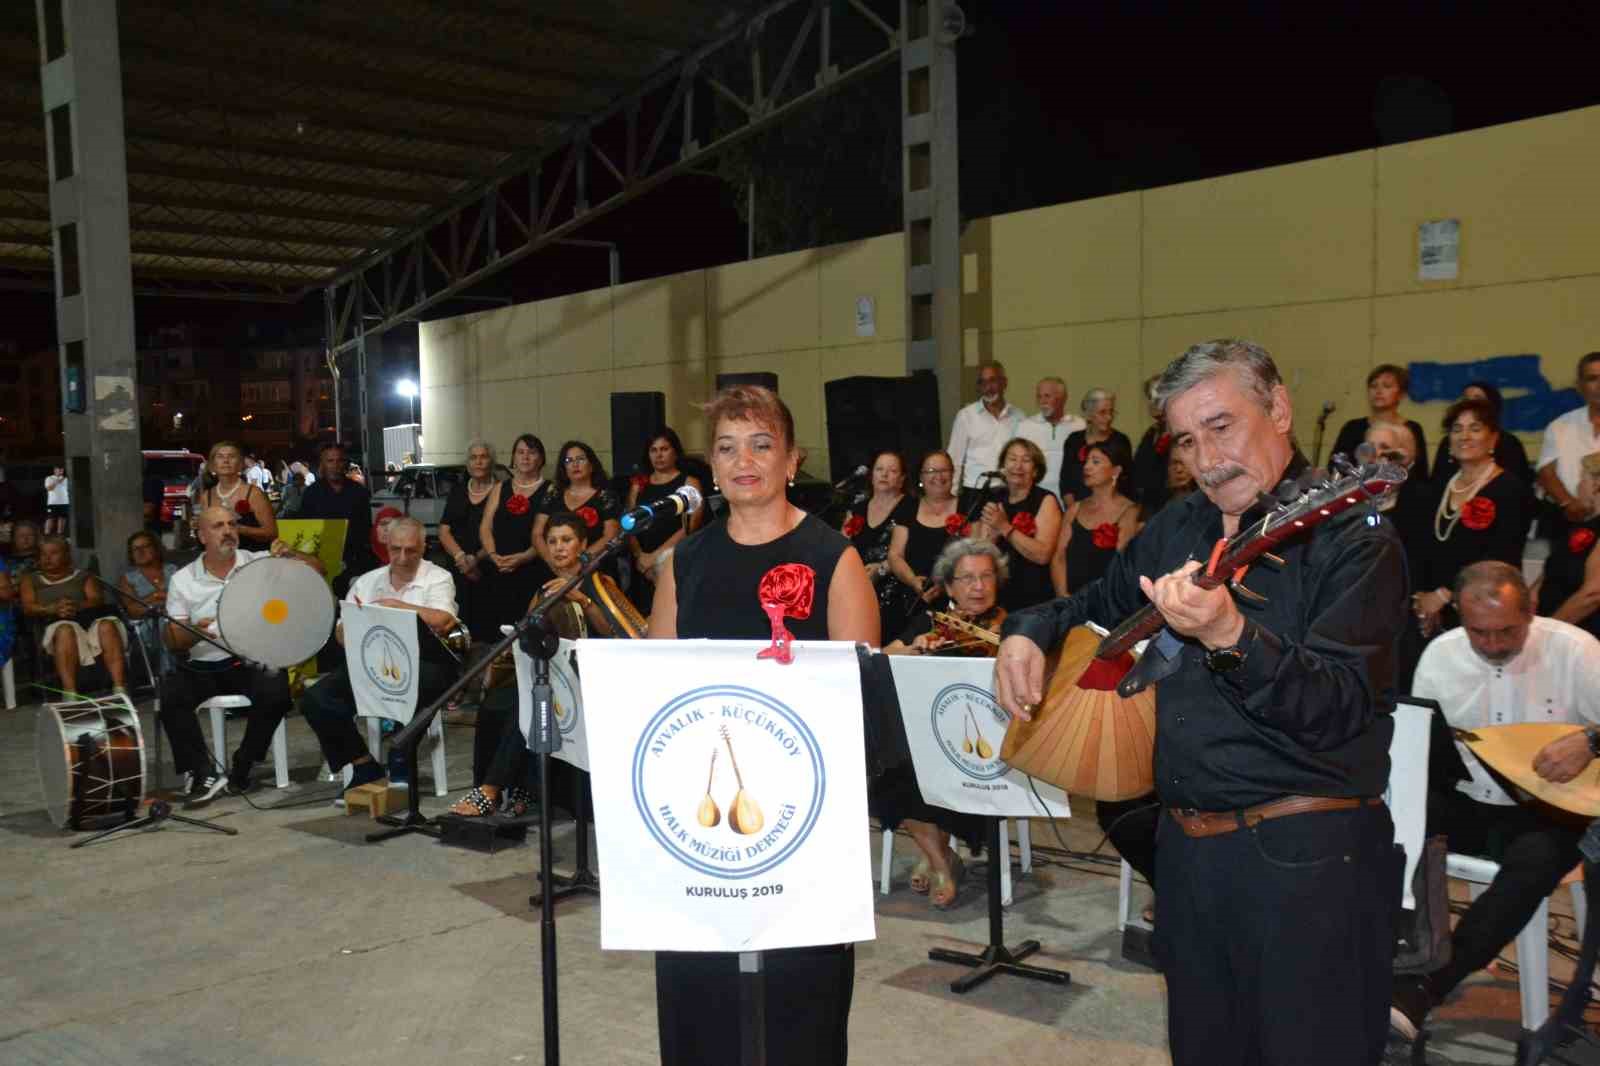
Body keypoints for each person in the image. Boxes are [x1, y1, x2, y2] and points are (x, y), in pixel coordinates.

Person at [994, 339, 1405, 1066]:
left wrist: (1231, 634)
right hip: (1188, 858)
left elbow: (1341, 704)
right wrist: (1027, 632)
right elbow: (1094, 602)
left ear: (1278, 408)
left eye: (1222, 426)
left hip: (1310, 865)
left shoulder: (1354, 537)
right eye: (1187, 439)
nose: (1206, 457)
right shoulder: (1181, 526)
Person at [648, 384, 877, 1066]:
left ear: (791, 459)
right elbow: (658, 689)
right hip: (700, 812)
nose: (742, 459)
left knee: (801, 993)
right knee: (698, 985)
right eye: (726, 447)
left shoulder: (833, 557)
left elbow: (860, 694)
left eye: (760, 444)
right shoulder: (683, 563)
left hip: (803, 816)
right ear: (711, 470)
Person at [1391, 562, 1600, 1041]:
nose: (1492, 644)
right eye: (1477, 633)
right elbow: (1424, 747)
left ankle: (1428, 986)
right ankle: (1398, 963)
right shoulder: (1441, 656)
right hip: (1470, 799)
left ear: (1531, 612)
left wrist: (1590, 740)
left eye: (1506, 630)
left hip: (1551, 809)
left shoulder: (1577, 651)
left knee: (1534, 862)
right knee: (1394, 825)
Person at [451, 511, 647, 818]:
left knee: (530, 702)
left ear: (583, 545)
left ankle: (492, 788)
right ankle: (521, 787)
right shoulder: (545, 588)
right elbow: (529, 634)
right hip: (551, 678)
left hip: (594, 681)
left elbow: (620, 634)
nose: (558, 548)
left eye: (566, 540)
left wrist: (583, 601)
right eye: (552, 541)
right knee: (498, 703)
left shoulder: (601, 582)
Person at [162, 507, 322, 799]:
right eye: (218, 526)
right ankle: (201, 772)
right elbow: (175, 642)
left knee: (276, 693)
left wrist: (289, 556)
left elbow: (317, 570)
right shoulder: (183, 580)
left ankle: (243, 765)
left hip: (248, 660)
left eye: (232, 524)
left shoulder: (259, 562)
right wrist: (193, 629)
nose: (228, 531)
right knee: (170, 694)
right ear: (201, 536)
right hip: (204, 664)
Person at [877, 538, 1004, 907]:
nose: (977, 587)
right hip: (928, 735)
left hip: (983, 743)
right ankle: (942, 860)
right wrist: (916, 646)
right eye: (966, 579)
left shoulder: (1013, 624)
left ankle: (937, 856)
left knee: (942, 767)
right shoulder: (932, 621)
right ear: (949, 587)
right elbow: (884, 655)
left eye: (985, 577)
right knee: (890, 771)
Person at [300, 516, 457, 790]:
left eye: (411, 550)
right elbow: (340, 632)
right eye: (396, 549)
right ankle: (362, 764)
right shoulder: (367, 581)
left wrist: (396, 607)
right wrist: (352, 630)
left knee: (430, 682)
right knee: (316, 699)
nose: (403, 557)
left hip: (424, 663)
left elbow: (444, 620)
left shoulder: (438, 577)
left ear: (423, 548)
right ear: (387, 547)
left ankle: (400, 754)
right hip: (373, 664)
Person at [1413, 398, 1530, 639]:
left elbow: (1501, 556)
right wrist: (1423, 598)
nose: (1464, 436)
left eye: (1475, 429)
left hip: (1487, 610)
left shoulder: (1509, 489)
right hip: (1433, 611)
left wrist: (1444, 595)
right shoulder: (1439, 487)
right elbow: (1424, 547)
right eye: (1457, 429)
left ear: (1493, 439)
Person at [19, 536, 128, 696]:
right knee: (65, 630)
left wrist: (76, 606)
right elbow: (28, 607)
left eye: (53, 553)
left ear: (66, 555)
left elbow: (96, 600)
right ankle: (70, 693)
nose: (47, 558)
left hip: (86, 621)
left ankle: (119, 689)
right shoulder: (31, 580)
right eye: (43, 554)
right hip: (53, 625)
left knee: (107, 626)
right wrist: (51, 609)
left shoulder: (83, 576)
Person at [480, 433, 556, 630]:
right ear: (513, 457)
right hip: (499, 567)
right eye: (520, 452)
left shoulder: (551, 489)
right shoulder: (500, 488)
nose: (525, 457)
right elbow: (485, 526)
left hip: (533, 567)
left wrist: (524, 557)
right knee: (499, 629)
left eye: (531, 452)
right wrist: (493, 555)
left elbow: (548, 534)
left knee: (530, 627)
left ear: (541, 458)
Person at [975, 437, 1061, 611]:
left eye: (1026, 460)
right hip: (997, 595)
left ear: (1036, 470)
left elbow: (1043, 555)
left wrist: (1005, 528)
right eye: (1012, 459)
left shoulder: (1045, 499)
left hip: (1034, 596)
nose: (1018, 466)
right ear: (1003, 466)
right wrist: (991, 538)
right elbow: (982, 551)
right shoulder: (995, 497)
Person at [837, 449, 916, 636]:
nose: (885, 474)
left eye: (892, 470)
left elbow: (916, 551)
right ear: (871, 475)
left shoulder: (912, 506)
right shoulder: (857, 508)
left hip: (897, 591)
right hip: (858, 588)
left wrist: (883, 568)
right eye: (879, 469)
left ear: (902, 478)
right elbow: (841, 547)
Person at [625, 427, 705, 611]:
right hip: (642, 564)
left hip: (675, 559)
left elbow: (690, 526)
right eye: (653, 450)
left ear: (675, 451)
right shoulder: (638, 485)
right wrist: (640, 557)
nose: (658, 455)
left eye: (664, 449)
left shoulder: (689, 482)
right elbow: (630, 523)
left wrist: (656, 557)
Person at [1051, 435, 1139, 596]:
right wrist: (1063, 597)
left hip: (1106, 603)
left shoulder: (1130, 512)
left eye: (1095, 462)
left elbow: (1122, 568)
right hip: (1070, 602)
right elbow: (1059, 556)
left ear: (1116, 471)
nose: (1086, 467)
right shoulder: (1075, 508)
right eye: (1087, 461)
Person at [438, 439, 501, 653]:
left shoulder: (503, 491)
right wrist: (461, 558)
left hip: (489, 566)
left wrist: (477, 559)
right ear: (468, 464)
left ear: (492, 461)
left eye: (483, 457)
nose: (478, 462)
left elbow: (501, 534)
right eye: (473, 457)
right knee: (460, 626)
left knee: (488, 631)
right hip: (458, 566)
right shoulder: (457, 491)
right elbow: (444, 530)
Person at [886, 449, 967, 614]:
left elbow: (976, 554)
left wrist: (948, 585)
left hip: (959, 600)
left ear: (952, 474)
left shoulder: (968, 506)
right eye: (931, 471)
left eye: (944, 470)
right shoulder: (907, 506)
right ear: (921, 477)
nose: (938, 476)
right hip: (914, 598)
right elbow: (895, 555)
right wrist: (913, 581)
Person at [298, 442, 375, 596]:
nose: (335, 465)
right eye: (330, 461)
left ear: (345, 463)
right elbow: (304, 529)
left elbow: (366, 529)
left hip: (355, 561)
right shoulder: (311, 494)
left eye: (339, 460)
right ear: (323, 464)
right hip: (321, 560)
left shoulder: (360, 493)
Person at [1538, 352, 1600, 537]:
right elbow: (1546, 471)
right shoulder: (1560, 426)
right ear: (1579, 386)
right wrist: (1567, 503)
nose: (1599, 385)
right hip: (1570, 522)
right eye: (1592, 379)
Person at [1539, 452, 1600, 639]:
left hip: (1585, 639)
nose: (1578, 486)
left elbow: (1593, 594)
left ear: (1596, 485)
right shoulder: (1584, 524)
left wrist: (1549, 630)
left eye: (1582, 479)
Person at [1331, 363, 1430, 480]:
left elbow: (1421, 473)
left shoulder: (1413, 429)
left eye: (1386, 386)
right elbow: (1335, 467)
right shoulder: (1352, 428)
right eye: (1373, 386)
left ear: (1401, 394)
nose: (1378, 391)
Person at [1430, 381, 1534, 486]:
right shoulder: (1448, 442)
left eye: (1477, 399)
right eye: (1466, 399)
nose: (1471, 404)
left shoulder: (1510, 443)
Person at [947, 362, 1023, 489]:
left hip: (1010, 490)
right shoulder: (966, 416)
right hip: (975, 490)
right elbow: (955, 460)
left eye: (993, 381)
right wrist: (952, 496)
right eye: (982, 383)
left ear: (1004, 383)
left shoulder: (1019, 417)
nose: (988, 387)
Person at [554, 441, 622, 578]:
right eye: (568, 460)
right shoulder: (553, 495)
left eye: (580, 459)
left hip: (597, 570)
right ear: (564, 468)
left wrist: (579, 563)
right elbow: (537, 533)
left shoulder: (606, 496)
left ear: (591, 465)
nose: (575, 464)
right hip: (557, 570)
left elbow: (611, 535)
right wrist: (554, 564)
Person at [1057, 387, 1133, 506]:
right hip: (1077, 509)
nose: (1108, 417)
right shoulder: (1073, 440)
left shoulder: (1121, 441)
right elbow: (1066, 483)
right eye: (1102, 412)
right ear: (1088, 414)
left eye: (1111, 412)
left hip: (1112, 510)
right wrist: (1074, 513)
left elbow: (1127, 484)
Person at [194, 441, 278, 548]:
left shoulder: (254, 494)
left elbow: (272, 533)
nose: (226, 460)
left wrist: (239, 529)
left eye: (231, 456)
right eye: (220, 457)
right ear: (212, 466)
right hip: (220, 559)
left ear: (240, 465)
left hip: (252, 559)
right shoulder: (207, 496)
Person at [118, 529, 178, 678]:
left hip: (177, 617)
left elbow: (185, 599)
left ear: (156, 548)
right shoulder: (128, 579)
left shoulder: (174, 570)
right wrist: (157, 596)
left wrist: (152, 601)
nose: (140, 552)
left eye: (145, 547)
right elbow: (133, 610)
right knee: (162, 624)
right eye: (135, 549)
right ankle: (167, 676)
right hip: (147, 623)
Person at [1017, 375, 1086, 493]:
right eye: (1039, 396)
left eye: (1047, 396)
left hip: (1071, 496)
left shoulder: (1079, 425)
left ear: (1063, 398)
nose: (1042, 401)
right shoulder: (1025, 427)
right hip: (1035, 496)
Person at [1130, 373, 1174, 514]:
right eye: (1150, 397)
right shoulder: (1151, 433)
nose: (1153, 402)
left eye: (1158, 397)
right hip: (1151, 507)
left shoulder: (1181, 429)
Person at [44, 467, 68, 535]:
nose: (60, 471)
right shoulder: (49, 478)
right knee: (50, 518)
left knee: (62, 518)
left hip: (64, 502)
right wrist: (57, 481)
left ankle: (60, 535)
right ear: (55, 470)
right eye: (59, 469)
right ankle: (47, 534)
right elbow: (49, 488)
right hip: (52, 503)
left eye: (62, 469)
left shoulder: (66, 479)